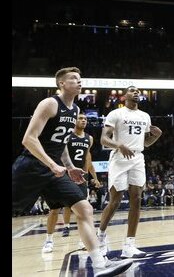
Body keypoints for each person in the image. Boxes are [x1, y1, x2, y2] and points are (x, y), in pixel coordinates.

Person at [12, 67, 132, 276]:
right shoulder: (50, 103)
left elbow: (63, 143)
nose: (79, 81)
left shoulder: (75, 110)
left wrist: (68, 167)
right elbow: (28, 139)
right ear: (61, 84)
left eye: (79, 79)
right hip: (31, 167)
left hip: (54, 171)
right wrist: (52, 164)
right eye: (73, 79)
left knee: (84, 209)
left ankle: (99, 265)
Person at [97, 86, 163, 258]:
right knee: (115, 201)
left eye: (138, 91)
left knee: (137, 199)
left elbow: (146, 143)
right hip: (119, 157)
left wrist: (156, 136)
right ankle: (101, 236)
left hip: (137, 158)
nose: (136, 93)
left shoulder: (145, 116)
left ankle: (129, 245)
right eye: (132, 90)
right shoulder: (116, 114)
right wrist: (119, 144)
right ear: (125, 96)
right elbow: (104, 139)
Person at [42, 112, 102, 252]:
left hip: (80, 177)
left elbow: (88, 159)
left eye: (85, 119)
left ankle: (83, 241)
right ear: (74, 121)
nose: (83, 121)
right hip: (62, 175)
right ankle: (49, 240)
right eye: (80, 118)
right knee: (54, 209)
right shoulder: (67, 136)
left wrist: (94, 176)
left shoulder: (90, 138)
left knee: (83, 211)